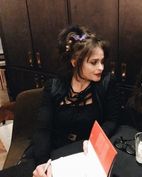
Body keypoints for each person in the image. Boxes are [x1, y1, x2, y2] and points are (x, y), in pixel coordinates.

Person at [29, 25, 120, 177]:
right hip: (55, 149)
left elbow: (112, 120)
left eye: (102, 61)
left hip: (86, 151)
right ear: (75, 62)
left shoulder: (107, 83)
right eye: (94, 62)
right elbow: (43, 129)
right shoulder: (53, 87)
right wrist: (43, 163)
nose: (101, 68)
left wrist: (94, 143)